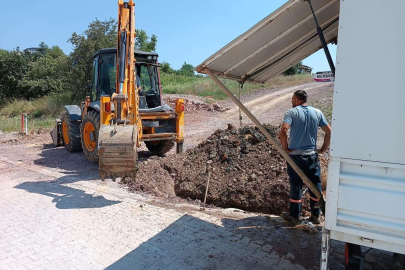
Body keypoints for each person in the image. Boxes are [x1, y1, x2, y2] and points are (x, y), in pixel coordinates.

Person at [278, 90, 331, 225]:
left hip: (295, 157)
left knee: (296, 185)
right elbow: (329, 131)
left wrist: (285, 147)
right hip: (312, 156)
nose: (291, 101)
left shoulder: (292, 112)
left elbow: (283, 130)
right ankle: (316, 215)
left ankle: (294, 217)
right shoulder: (317, 112)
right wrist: (323, 149)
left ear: (296, 99)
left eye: (292, 99)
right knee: (315, 185)